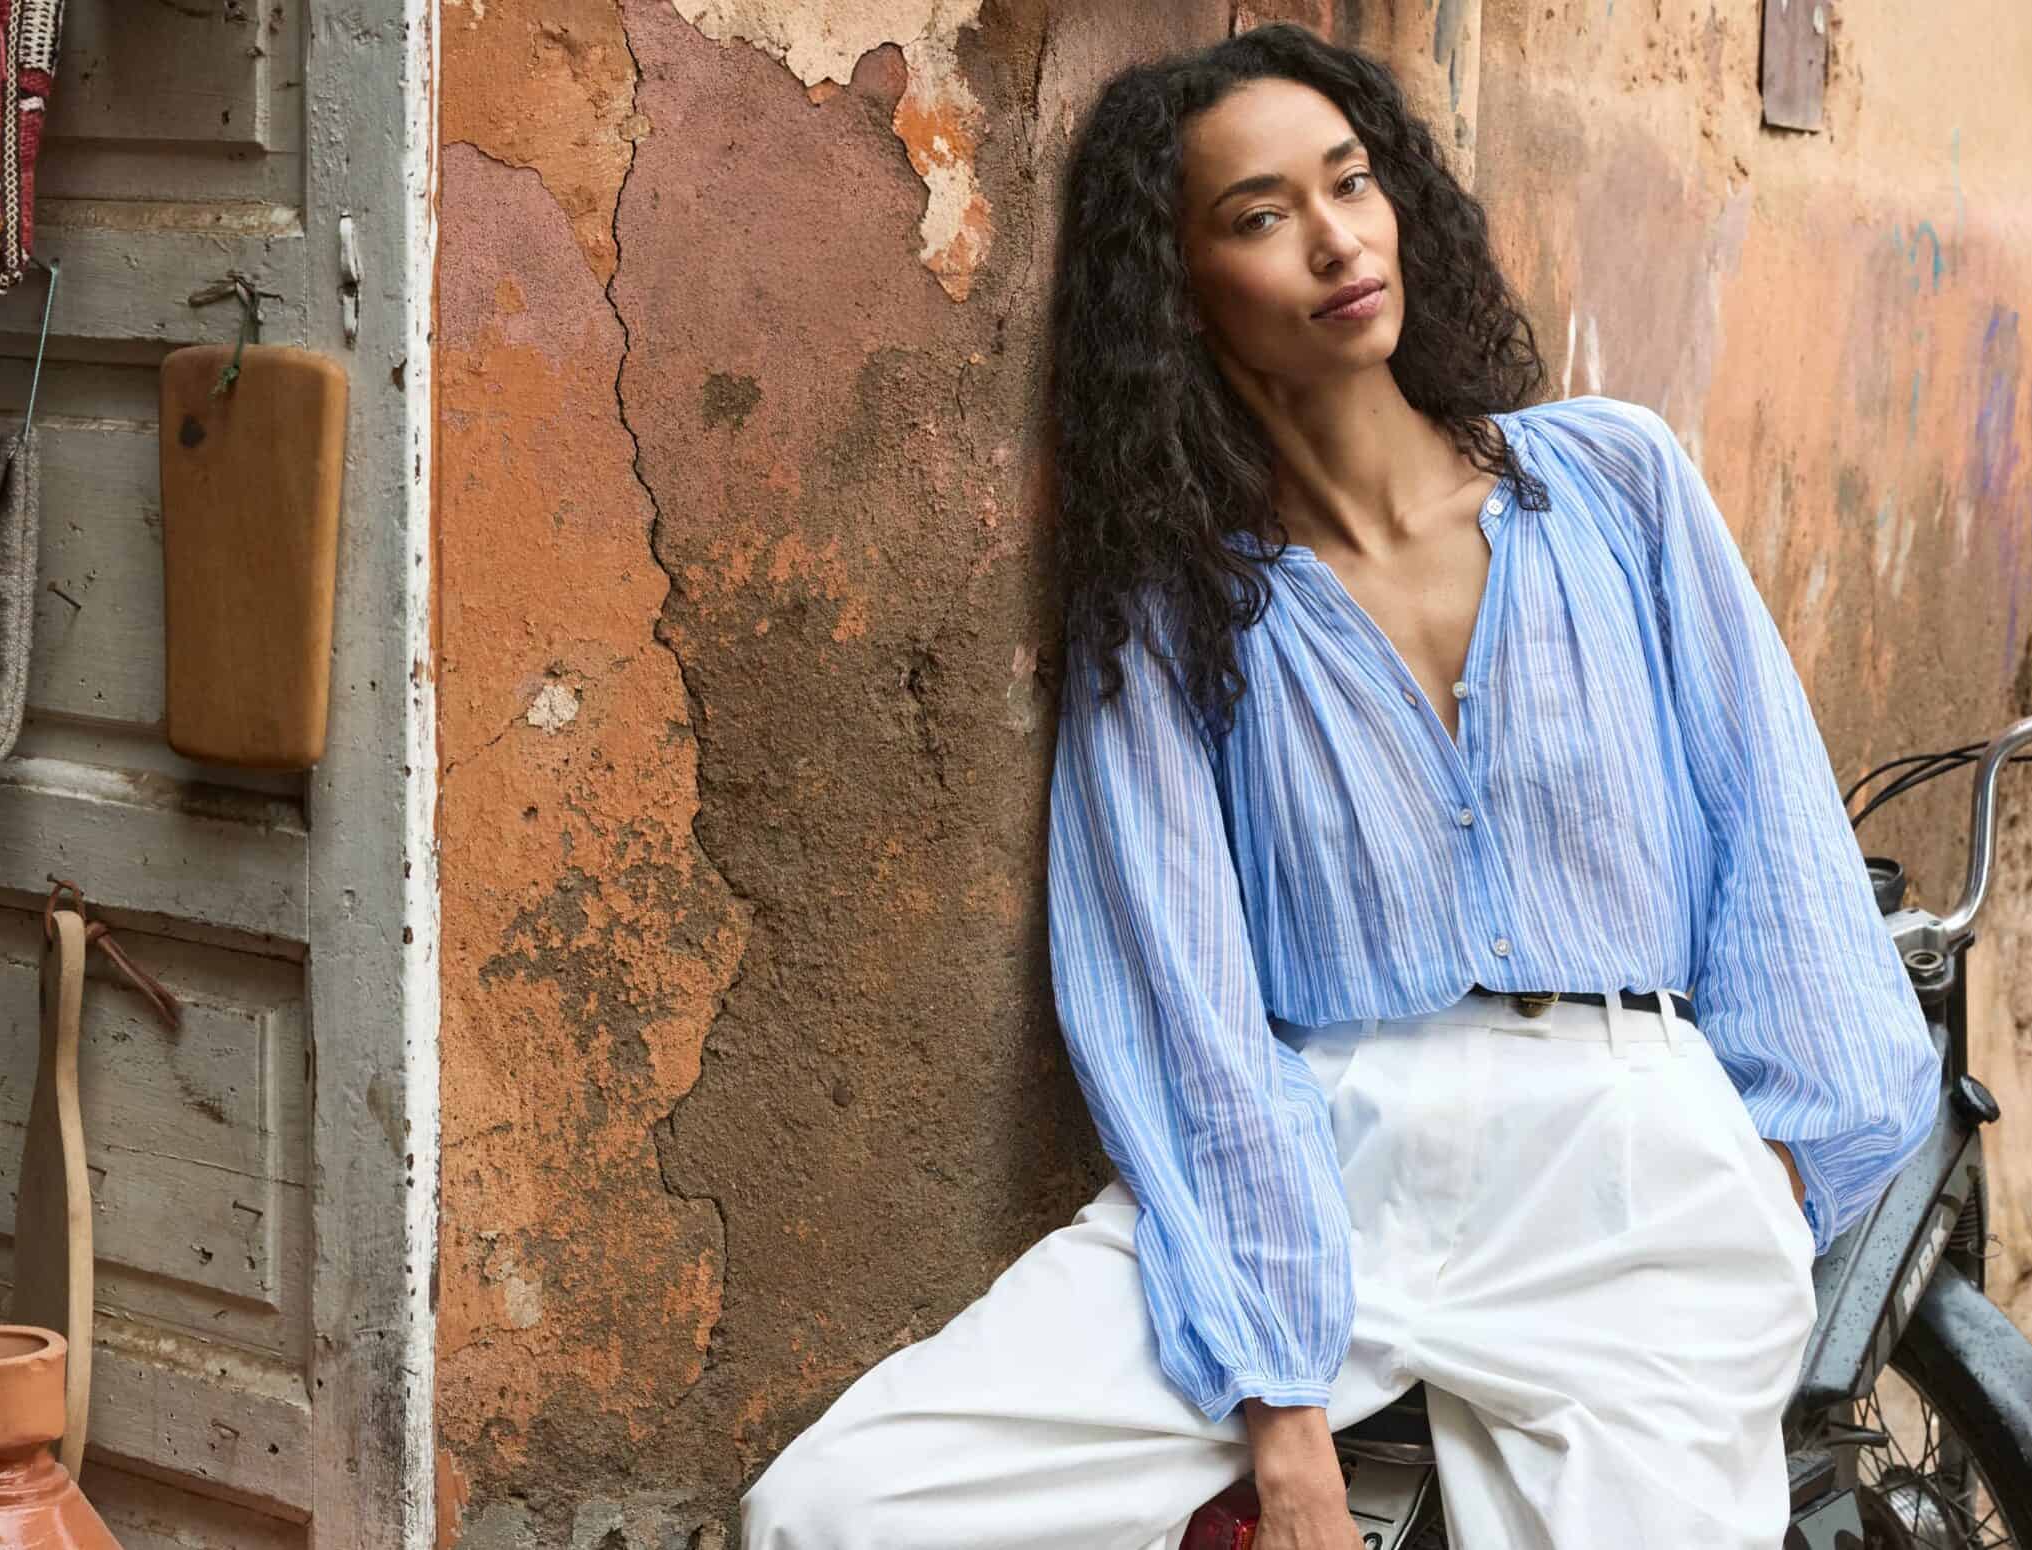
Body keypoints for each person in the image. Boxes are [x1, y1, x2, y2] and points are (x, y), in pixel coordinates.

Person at [737, 23, 1940, 1550]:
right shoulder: (1178, 612)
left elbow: (1776, 833)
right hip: (1328, 1157)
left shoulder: (1615, 483)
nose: (1334, 239)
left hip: (1633, 1159)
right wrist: (1281, 1409)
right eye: (1259, 215)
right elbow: (1178, 1000)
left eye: (1352, 183)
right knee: (839, 1507)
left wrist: (1762, 1175)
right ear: (1180, 294)